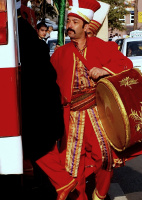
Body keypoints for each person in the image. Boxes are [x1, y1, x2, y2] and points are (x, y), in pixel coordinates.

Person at [36, 0, 134, 199]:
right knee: (72, 165)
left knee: (105, 159)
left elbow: (126, 65)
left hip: (98, 114)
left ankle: (99, 194)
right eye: (68, 21)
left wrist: (105, 71)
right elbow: (50, 83)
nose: (69, 26)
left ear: (86, 26)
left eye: (74, 22)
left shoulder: (103, 47)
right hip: (71, 116)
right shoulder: (60, 53)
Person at [17, 0, 69, 199]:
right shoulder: (36, 46)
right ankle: (61, 182)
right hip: (46, 109)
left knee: (40, 147)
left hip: (44, 109)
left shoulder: (32, 45)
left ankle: (63, 182)